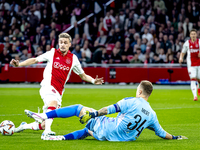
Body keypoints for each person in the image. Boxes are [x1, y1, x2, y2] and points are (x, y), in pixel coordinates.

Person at [10, 33, 104, 139]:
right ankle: (47, 132)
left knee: (45, 123)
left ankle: (23, 126)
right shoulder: (52, 53)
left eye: (65, 42)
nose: (62, 45)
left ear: (70, 44)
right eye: (61, 42)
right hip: (48, 86)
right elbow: (35, 59)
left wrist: (93, 81)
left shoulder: (73, 59)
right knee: (53, 104)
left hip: (59, 92)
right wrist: (19, 64)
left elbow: (82, 75)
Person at [24, 80, 187, 141]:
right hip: (120, 138)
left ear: (139, 91)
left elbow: (109, 109)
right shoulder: (152, 115)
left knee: (78, 108)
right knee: (87, 130)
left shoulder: (132, 101)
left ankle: (43, 115)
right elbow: (161, 133)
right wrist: (176, 137)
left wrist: (93, 114)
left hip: (109, 130)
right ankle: (61, 138)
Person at [179, 29, 200, 101]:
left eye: (194, 34)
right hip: (191, 65)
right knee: (193, 78)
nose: (193, 35)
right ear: (190, 35)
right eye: (192, 34)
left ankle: (198, 87)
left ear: (196, 35)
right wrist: (181, 58)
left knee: (199, 78)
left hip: (199, 64)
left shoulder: (199, 42)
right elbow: (183, 52)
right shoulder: (187, 43)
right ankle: (195, 96)